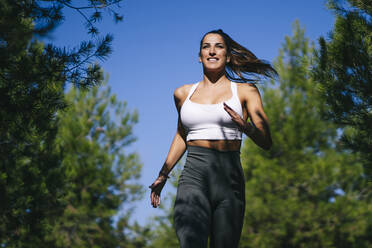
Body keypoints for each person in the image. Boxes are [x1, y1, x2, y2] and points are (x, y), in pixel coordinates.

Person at [149, 29, 277, 248]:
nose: (212, 51)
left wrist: (244, 127)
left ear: (227, 56)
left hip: (230, 178)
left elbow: (266, 141)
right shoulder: (182, 94)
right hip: (193, 175)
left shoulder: (246, 91)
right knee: (190, 241)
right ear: (199, 56)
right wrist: (163, 174)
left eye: (219, 46)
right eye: (206, 46)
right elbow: (182, 134)